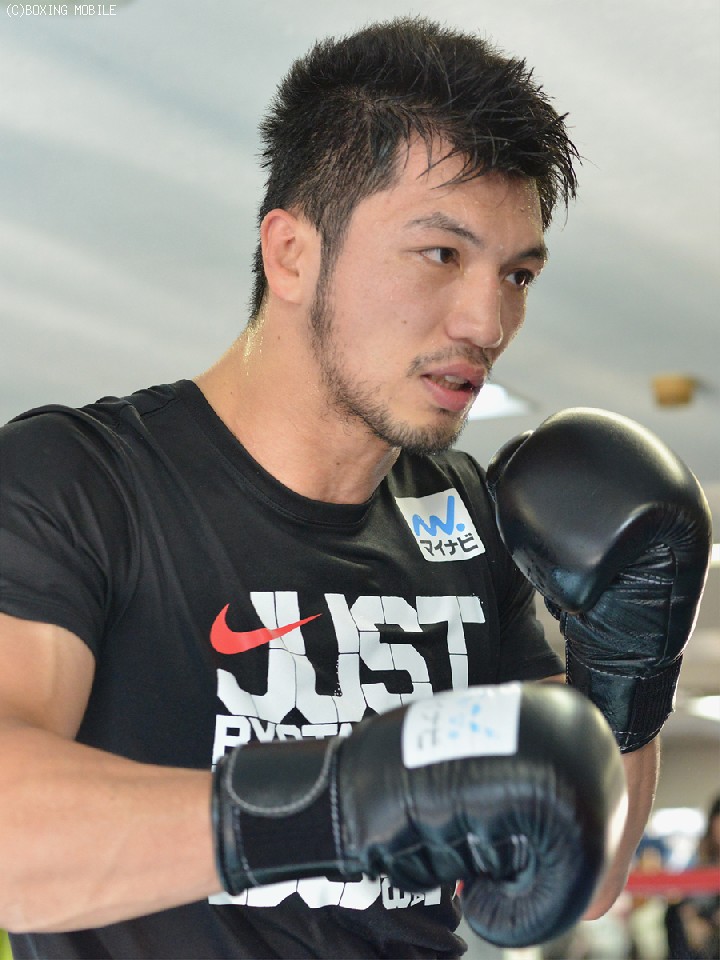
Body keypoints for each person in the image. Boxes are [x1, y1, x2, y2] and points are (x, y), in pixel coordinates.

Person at [0, 17, 711, 960]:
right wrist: (339, 805)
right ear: (291, 252)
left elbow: (584, 874)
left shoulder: (470, 515)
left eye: (518, 273)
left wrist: (628, 676)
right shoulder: (79, 481)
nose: (489, 320)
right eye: (441, 254)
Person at [665, 796, 720, 959]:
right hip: (703, 920)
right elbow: (688, 897)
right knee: (674, 914)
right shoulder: (702, 860)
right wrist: (690, 917)